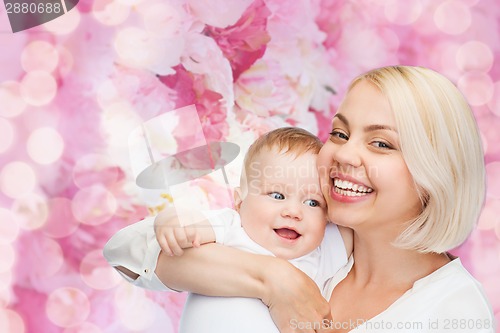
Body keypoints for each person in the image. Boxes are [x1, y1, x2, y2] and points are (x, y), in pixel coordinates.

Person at [105, 66, 495, 333]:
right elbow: (128, 254)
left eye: (381, 143)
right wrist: (274, 279)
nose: (343, 155)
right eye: (340, 134)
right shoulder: (310, 234)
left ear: (436, 172)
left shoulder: (455, 312)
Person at [104, 127, 353, 333]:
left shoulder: (319, 253)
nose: (293, 211)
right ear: (240, 201)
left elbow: (369, 226)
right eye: (277, 195)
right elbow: (125, 248)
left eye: (313, 203)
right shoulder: (230, 227)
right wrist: (171, 220)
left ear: (328, 217)